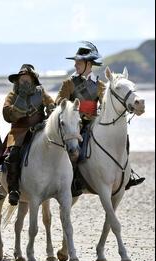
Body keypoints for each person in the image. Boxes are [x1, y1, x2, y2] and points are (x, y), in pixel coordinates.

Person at [56, 41, 144, 194]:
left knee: (123, 139)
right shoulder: (68, 83)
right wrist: (73, 111)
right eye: (76, 62)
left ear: (89, 64)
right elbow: (59, 103)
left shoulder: (100, 85)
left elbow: (107, 104)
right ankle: (75, 179)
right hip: (76, 124)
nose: (76, 64)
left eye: (79, 62)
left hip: (95, 122)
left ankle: (127, 174)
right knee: (75, 148)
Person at [2, 64, 55, 205]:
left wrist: (50, 113)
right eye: (21, 79)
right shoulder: (12, 96)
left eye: (27, 79)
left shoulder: (41, 92)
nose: (24, 82)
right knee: (12, 155)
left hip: (40, 129)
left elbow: (52, 106)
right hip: (19, 131)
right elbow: (8, 115)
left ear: (33, 80)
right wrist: (22, 97)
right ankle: (13, 190)